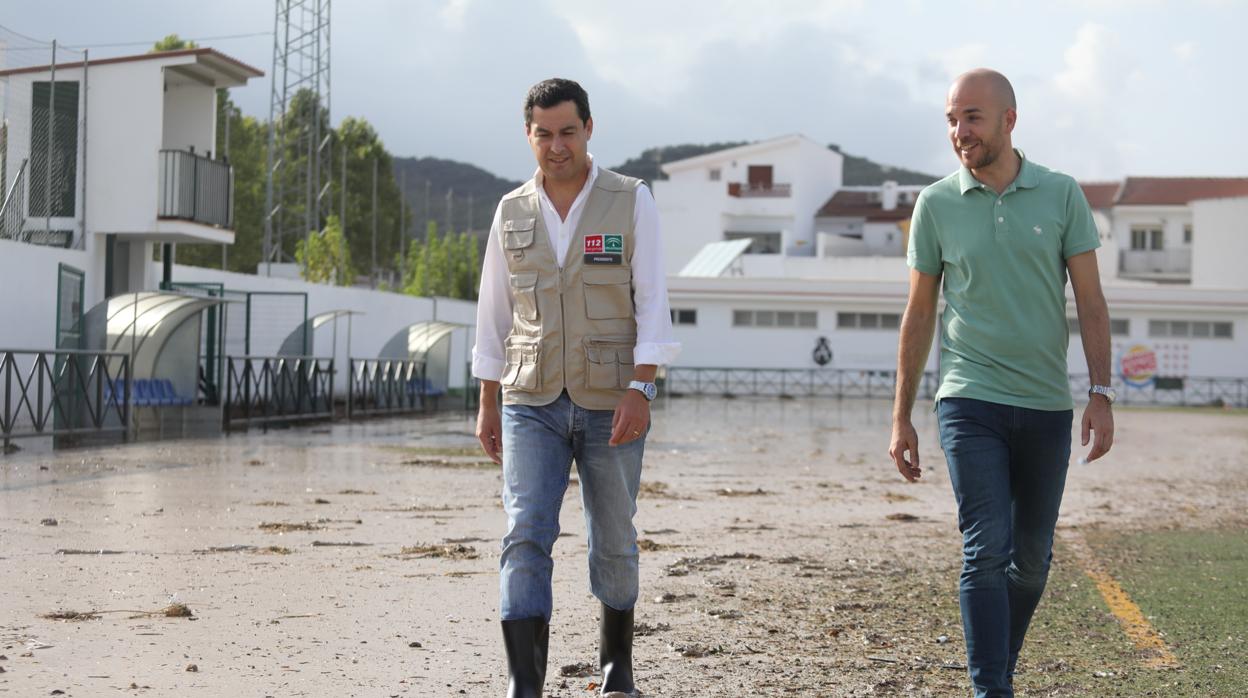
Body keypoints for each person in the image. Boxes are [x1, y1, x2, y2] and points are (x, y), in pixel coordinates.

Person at [889, 68, 1115, 698]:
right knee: (985, 547)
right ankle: (992, 688)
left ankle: (998, 669)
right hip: (968, 399)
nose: (960, 132)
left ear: (1010, 120)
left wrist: (1101, 393)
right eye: (952, 120)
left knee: (1033, 559)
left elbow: (1092, 303)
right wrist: (901, 415)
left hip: (1046, 404)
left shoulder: (1062, 194)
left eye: (973, 118)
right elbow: (919, 314)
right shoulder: (934, 203)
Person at [472, 77, 680, 698]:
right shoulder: (510, 211)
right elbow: (492, 313)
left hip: (610, 400)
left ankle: (616, 665)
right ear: (529, 135)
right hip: (528, 399)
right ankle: (524, 681)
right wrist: (486, 402)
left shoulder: (631, 199)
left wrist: (642, 389)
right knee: (525, 531)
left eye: (568, 131)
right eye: (544, 134)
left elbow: (654, 302)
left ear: (589, 128)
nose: (556, 146)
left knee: (614, 535)